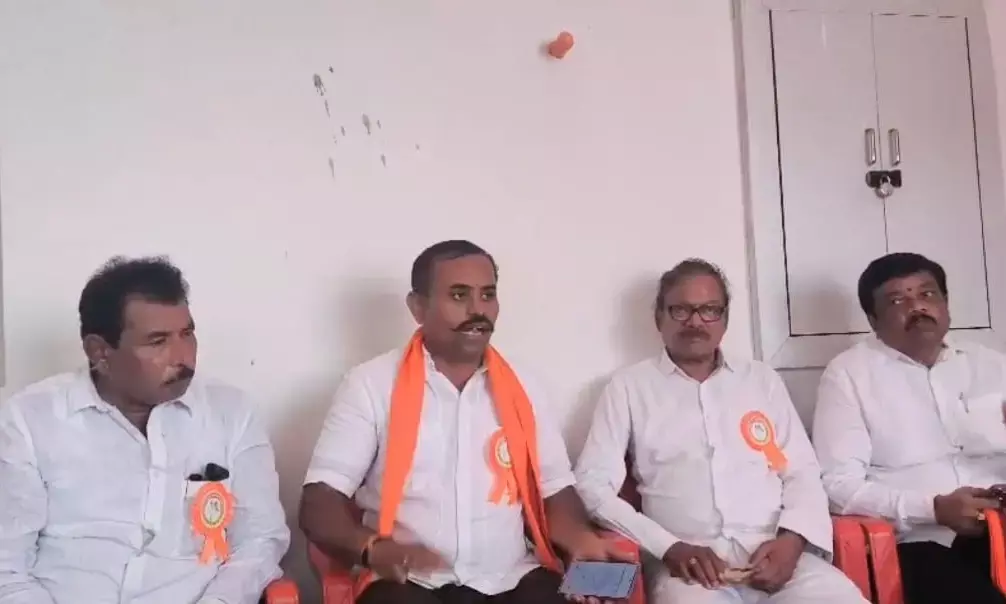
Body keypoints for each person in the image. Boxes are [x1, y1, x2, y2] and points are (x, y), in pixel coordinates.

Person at [300, 239, 627, 604]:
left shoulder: (526, 386)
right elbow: (320, 501)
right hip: (408, 582)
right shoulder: (370, 385)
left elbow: (555, 490)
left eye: (488, 295)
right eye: (459, 295)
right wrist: (371, 548)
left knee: (600, 593)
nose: (477, 310)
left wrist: (580, 540)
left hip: (511, 577)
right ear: (418, 307)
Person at [574, 259, 867, 604]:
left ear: (725, 319)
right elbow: (592, 486)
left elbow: (801, 471)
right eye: (681, 310)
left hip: (775, 556)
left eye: (710, 310)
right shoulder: (628, 388)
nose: (695, 321)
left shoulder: (762, 380)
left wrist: (792, 540)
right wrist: (668, 547)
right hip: (688, 570)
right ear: (659, 318)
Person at [0, 256, 290, 604]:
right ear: (99, 352)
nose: (183, 357)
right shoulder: (29, 420)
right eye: (157, 341)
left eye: (187, 334)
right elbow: (7, 566)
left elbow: (260, 540)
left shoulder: (232, 413)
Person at [812, 252, 1006, 604]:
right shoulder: (849, 375)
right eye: (897, 300)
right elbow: (837, 486)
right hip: (921, 541)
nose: (918, 307)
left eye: (927, 294)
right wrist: (933, 508)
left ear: (946, 304)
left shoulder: (992, 364)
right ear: (873, 319)